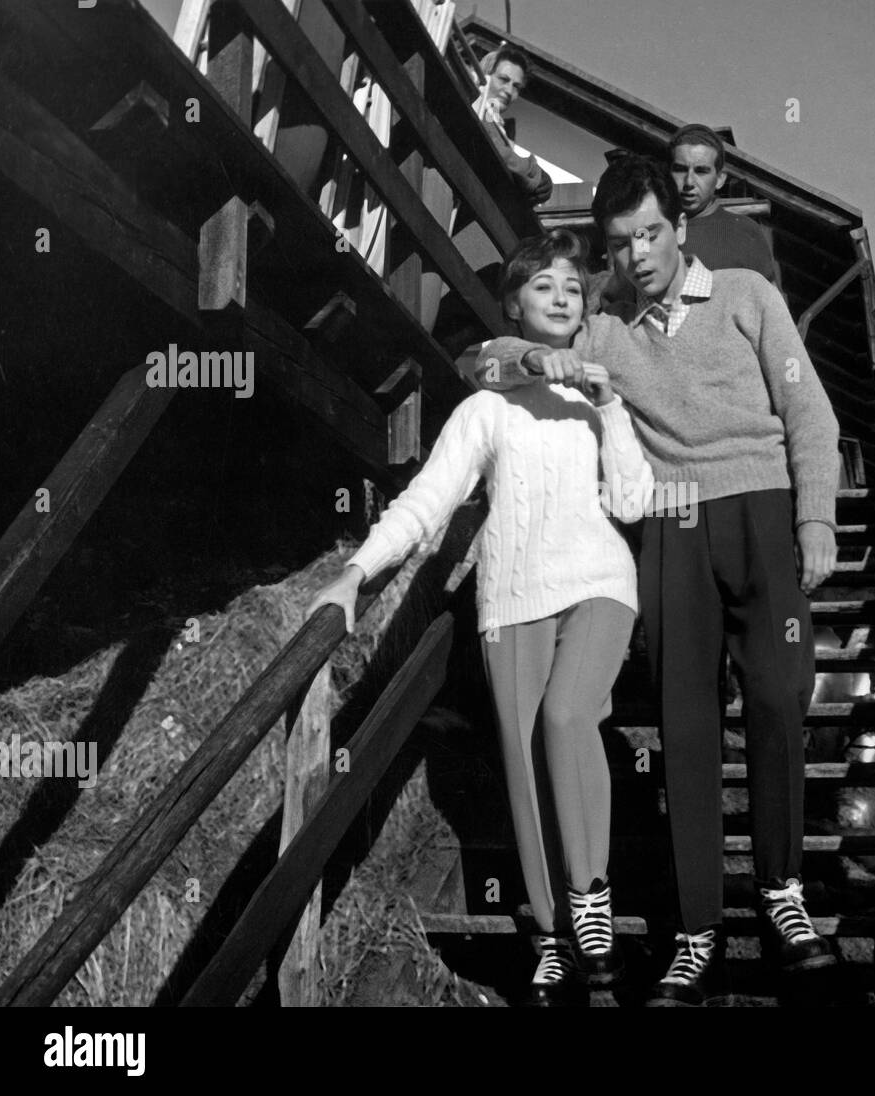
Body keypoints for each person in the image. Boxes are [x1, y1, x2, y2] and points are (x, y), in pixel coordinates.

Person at [475, 156, 840, 1006]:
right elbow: (485, 357)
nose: (637, 255)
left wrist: (815, 519)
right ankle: (697, 929)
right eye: (619, 244)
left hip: (761, 505)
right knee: (685, 722)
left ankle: (783, 894)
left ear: (677, 227)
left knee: (781, 696)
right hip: (673, 527)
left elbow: (809, 412)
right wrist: (537, 354)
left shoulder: (748, 293)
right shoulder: (605, 330)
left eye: (648, 234)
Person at [307, 230, 653, 1007]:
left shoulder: (598, 401)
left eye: (572, 288)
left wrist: (611, 408)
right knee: (525, 770)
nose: (562, 298)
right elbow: (429, 501)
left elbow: (632, 502)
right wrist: (356, 574)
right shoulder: (485, 408)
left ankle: (590, 903)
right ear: (515, 306)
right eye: (544, 288)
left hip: (599, 582)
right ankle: (553, 936)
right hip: (510, 600)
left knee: (567, 718)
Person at [668, 124, 780, 286]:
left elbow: (771, 303)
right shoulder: (648, 230)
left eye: (701, 171)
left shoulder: (745, 232)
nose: (689, 182)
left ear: (720, 179)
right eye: (680, 169)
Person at [473, 46, 552, 207]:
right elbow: (499, 153)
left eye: (516, 86)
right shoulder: (476, 106)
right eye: (503, 79)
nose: (509, 90)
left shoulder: (495, 118)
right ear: (484, 77)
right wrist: (536, 174)